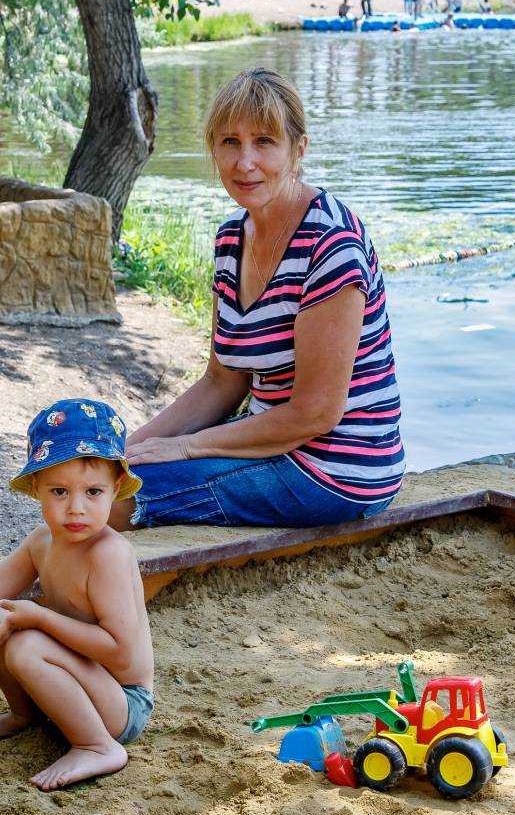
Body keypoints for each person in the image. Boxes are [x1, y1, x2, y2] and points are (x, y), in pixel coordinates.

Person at [115, 68, 404, 530]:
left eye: (264, 142)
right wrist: (124, 450)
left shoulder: (330, 246)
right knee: (99, 482)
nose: (244, 162)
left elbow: (316, 413)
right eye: (230, 142)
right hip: (265, 445)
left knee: (112, 503)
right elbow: (222, 382)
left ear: (298, 149)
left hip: (337, 472)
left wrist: (187, 447)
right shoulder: (232, 237)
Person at [0, 399, 154, 792]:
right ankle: (23, 715)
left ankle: (97, 746)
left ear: (116, 489)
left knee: (28, 643)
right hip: (84, 683)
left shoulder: (110, 554)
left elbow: (119, 651)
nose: (76, 509)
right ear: (36, 489)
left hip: (122, 703)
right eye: (59, 491)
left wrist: (40, 618)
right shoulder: (43, 542)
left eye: (93, 492)